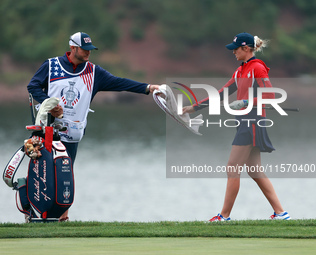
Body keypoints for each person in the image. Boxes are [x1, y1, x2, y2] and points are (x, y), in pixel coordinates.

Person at [28, 32, 159, 221]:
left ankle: (62, 217)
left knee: (65, 176)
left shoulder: (93, 72)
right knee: (44, 174)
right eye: (85, 49)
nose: (89, 52)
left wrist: (147, 88)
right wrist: (49, 105)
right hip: (47, 131)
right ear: (73, 48)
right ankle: (36, 213)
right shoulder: (51, 65)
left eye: (91, 49)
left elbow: (119, 82)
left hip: (72, 134)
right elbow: (33, 87)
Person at [183, 32, 290, 221]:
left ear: (246, 48)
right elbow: (222, 93)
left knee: (232, 167)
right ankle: (281, 213)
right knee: (254, 169)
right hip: (245, 121)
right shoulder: (240, 71)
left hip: (253, 121)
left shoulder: (257, 68)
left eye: (235, 49)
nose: (233, 53)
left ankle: (224, 216)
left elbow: (271, 96)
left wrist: (246, 102)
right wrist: (194, 107)